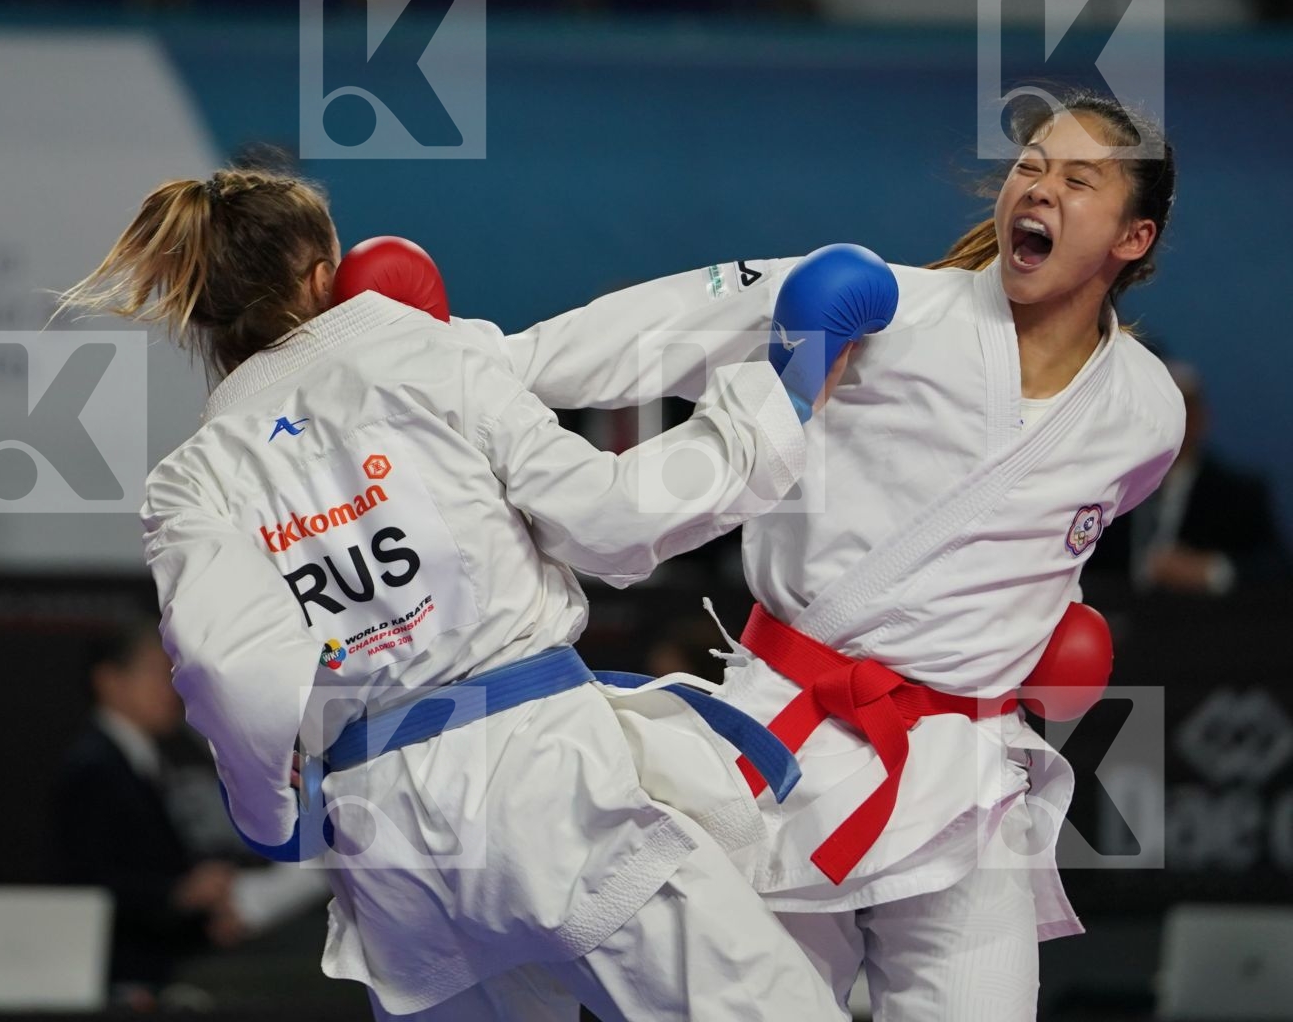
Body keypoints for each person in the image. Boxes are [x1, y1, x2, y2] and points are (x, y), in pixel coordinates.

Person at [62, 168, 893, 1019]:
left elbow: (226, 668)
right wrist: (778, 401)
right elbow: (610, 520)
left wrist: (269, 813)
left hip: (389, 850)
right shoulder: (429, 354)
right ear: (323, 276)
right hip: (537, 780)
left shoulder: (188, 482)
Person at [456, 89, 1185, 1020]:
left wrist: (1046, 630)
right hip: (785, 747)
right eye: (1030, 165)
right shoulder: (886, 305)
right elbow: (664, 324)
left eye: (1078, 180)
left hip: (967, 776)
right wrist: (477, 363)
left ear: (1132, 239)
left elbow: (1057, 535)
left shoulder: (1146, 413)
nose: (1037, 186)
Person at [53, 624, 245, 992]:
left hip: (151, 967)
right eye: (160, 673)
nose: (174, 689)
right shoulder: (92, 768)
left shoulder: (141, 761)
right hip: (111, 978)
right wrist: (178, 893)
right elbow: (81, 882)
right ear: (109, 681)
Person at [1089, 359, 1290, 593]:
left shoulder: (1239, 495)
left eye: (1185, 408)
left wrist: (1214, 571)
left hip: (1207, 625)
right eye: (1158, 408)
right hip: (1119, 623)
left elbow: (1277, 568)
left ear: (1201, 417)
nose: (1173, 420)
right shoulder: (1108, 491)